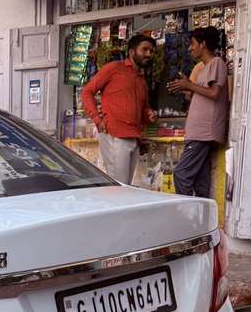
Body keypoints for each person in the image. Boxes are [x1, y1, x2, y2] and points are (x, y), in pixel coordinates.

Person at [81, 34, 157, 184]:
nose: (149, 54)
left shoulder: (141, 80)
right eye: (145, 50)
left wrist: (150, 116)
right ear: (132, 51)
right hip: (115, 135)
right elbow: (87, 92)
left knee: (124, 187)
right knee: (119, 187)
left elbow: (144, 112)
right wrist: (97, 119)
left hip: (134, 138)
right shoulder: (113, 68)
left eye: (151, 51)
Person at [167, 27, 229, 198]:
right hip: (198, 133)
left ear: (203, 44)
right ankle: (202, 219)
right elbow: (202, 95)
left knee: (181, 174)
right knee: (201, 183)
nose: (190, 48)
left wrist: (189, 85)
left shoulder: (217, 63)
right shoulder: (203, 68)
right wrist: (186, 89)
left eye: (192, 44)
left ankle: (189, 214)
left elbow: (214, 93)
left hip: (203, 133)